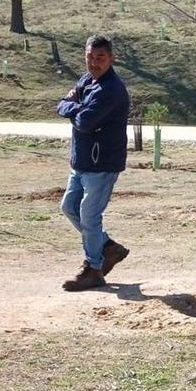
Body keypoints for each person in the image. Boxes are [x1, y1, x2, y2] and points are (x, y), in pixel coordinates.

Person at [55, 35, 132, 292]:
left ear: (111, 59)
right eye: (90, 57)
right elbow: (62, 105)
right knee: (69, 207)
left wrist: (72, 106)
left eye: (100, 58)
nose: (94, 63)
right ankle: (108, 247)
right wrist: (72, 106)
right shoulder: (87, 80)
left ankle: (94, 269)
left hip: (102, 163)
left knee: (89, 215)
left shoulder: (111, 89)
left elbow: (85, 122)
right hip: (82, 161)